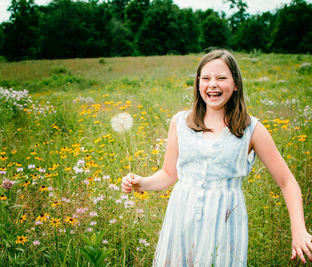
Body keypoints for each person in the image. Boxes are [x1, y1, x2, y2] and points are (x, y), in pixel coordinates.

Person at [121, 49, 312, 266]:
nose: (213, 84)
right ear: (198, 83)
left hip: (225, 223)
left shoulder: (251, 129)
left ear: (236, 83)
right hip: (181, 218)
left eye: (221, 78)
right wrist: (141, 183)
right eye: (206, 78)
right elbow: (168, 174)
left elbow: (287, 182)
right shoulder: (180, 122)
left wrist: (299, 230)